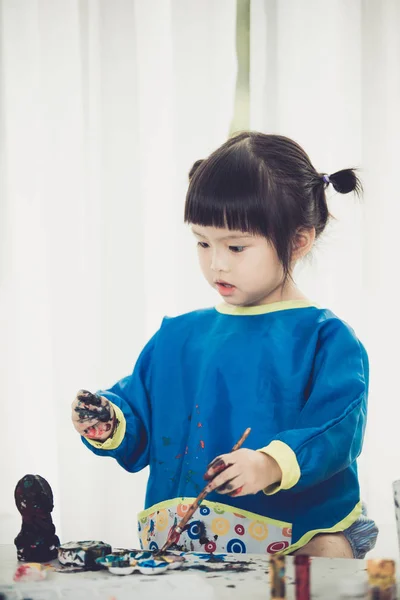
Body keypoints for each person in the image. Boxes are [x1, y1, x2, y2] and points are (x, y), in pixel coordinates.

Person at [71, 132, 378, 558]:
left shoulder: (325, 338)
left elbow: (337, 428)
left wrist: (269, 464)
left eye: (236, 246)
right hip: (185, 545)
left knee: (325, 558)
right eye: (202, 242)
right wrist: (110, 421)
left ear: (298, 240)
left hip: (295, 537)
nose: (216, 262)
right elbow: (139, 413)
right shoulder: (177, 337)